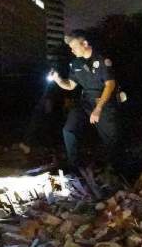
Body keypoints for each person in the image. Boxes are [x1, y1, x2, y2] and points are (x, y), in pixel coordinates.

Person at [48, 32, 121, 171]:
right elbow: (70, 85)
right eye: (70, 47)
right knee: (69, 130)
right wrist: (58, 79)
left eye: (74, 46)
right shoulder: (76, 63)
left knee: (111, 140)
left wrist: (98, 109)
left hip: (104, 103)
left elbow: (110, 85)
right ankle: (75, 166)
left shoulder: (102, 60)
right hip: (86, 102)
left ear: (85, 44)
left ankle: (114, 170)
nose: (71, 50)